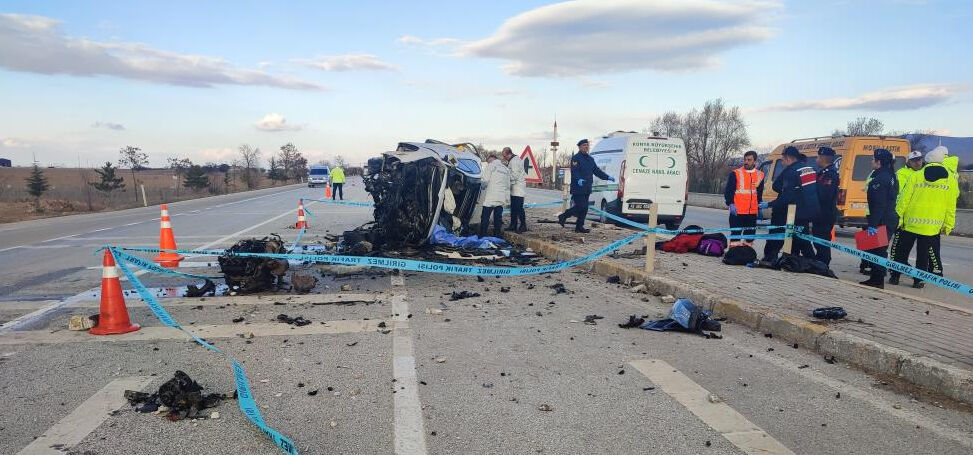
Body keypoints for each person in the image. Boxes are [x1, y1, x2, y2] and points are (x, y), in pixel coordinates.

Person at [890, 146, 958, 288]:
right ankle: (919, 281)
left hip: (910, 223)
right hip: (932, 226)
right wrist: (948, 224)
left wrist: (899, 218)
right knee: (923, 256)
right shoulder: (950, 180)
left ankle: (895, 277)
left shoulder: (916, 176)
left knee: (902, 252)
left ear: (927, 160)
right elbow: (951, 205)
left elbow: (904, 199)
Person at [759, 146, 819, 261]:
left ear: (788, 158)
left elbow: (787, 196)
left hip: (789, 211)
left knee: (776, 235)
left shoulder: (791, 171)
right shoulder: (810, 169)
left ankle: (770, 259)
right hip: (806, 212)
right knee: (803, 239)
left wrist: (770, 204)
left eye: (782, 159)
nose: (782, 162)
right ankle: (810, 262)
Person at [858, 149, 899, 289]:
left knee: (878, 250)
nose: (871, 161)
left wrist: (873, 224)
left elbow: (879, 204)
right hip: (886, 218)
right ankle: (875, 278)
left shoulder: (880, 179)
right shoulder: (890, 175)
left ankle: (877, 280)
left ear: (879, 161)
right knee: (875, 249)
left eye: (873, 159)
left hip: (882, 220)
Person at [557, 139, 614, 233]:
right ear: (579, 147)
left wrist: (607, 177)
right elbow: (575, 171)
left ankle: (579, 227)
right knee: (581, 206)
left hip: (587, 187)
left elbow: (597, 171)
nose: (586, 147)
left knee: (584, 208)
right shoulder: (576, 158)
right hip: (577, 187)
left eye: (587, 145)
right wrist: (578, 179)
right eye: (584, 145)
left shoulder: (590, 159)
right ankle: (563, 216)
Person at [887, 150, 924, 284]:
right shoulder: (902, 174)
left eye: (919, 159)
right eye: (914, 160)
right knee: (900, 249)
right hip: (905, 219)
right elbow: (899, 197)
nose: (917, 162)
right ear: (908, 162)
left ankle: (916, 277)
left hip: (920, 218)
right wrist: (899, 217)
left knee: (921, 253)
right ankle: (895, 273)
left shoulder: (924, 174)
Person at [723, 150, 764, 245]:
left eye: (749, 160)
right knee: (735, 237)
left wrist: (759, 207)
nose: (746, 162)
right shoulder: (736, 173)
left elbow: (759, 193)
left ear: (755, 161)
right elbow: (729, 191)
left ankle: (746, 252)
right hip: (738, 212)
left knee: (749, 238)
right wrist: (730, 203)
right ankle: (734, 253)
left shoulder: (760, 175)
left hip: (752, 213)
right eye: (745, 159)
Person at [811, 147, 839, 265]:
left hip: (825, 213)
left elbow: (824, 195)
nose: (816, 160)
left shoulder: (829, 174)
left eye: (818, 157)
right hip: (820, 213)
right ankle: (819, 262)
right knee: (818, 240)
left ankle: (823, 264)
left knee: (822, 241)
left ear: (822, 158)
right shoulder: (823, 173)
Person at [478, 154, 510, 237]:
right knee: (498, 218)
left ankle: (482, 235)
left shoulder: (491, 166)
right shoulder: (506, 169)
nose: (488, 163)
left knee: (485, 217)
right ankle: (497, 235)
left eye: (488, 161)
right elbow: (508, 185)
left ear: (491, 159)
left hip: (491, 197)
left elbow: (485, 181)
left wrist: (480, 186)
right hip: (501, 197)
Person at [504, 147, 528, 232]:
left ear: (509, 154)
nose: (504, 158)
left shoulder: (514, 161)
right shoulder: (513, 160)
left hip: (518, 189)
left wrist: (505, 180)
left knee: (519, 208)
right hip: (514, 189)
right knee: (513, 208)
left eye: (504, 156)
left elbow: (514, 175)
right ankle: (513, 225)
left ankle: (523, 225)